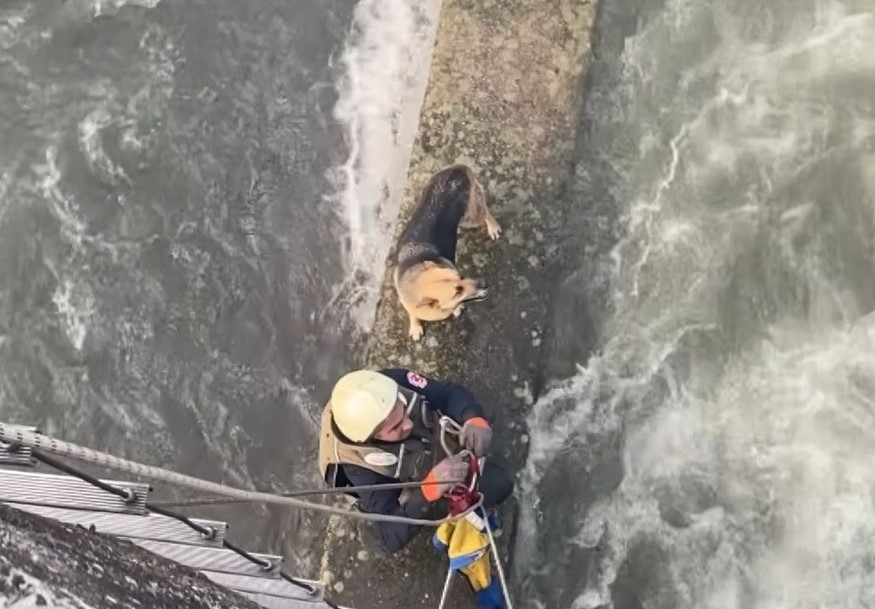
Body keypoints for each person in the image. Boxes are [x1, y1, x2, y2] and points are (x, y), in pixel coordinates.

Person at [317, 367, 514, 552]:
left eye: (403, 410)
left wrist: (473, 418)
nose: (409, 423)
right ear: (373, 437)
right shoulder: (361, 471)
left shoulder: (391, 384)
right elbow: (387, 536)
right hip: (402, 480)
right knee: (497, 485)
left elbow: (448, 393)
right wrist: (427, 492)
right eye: (395, 427)